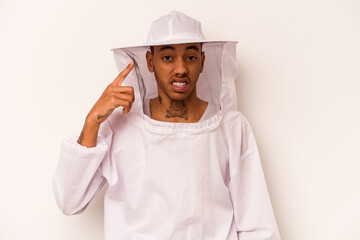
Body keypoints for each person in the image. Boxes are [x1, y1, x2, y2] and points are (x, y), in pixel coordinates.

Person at [53, 11, 281, 240]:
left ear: (202, 61)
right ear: (150, 62)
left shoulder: (231, 128)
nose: (180, 69)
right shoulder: (120, 126)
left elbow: (257, 223)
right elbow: (69, 201)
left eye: (190, 57)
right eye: (168, 57)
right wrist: (92, 122)